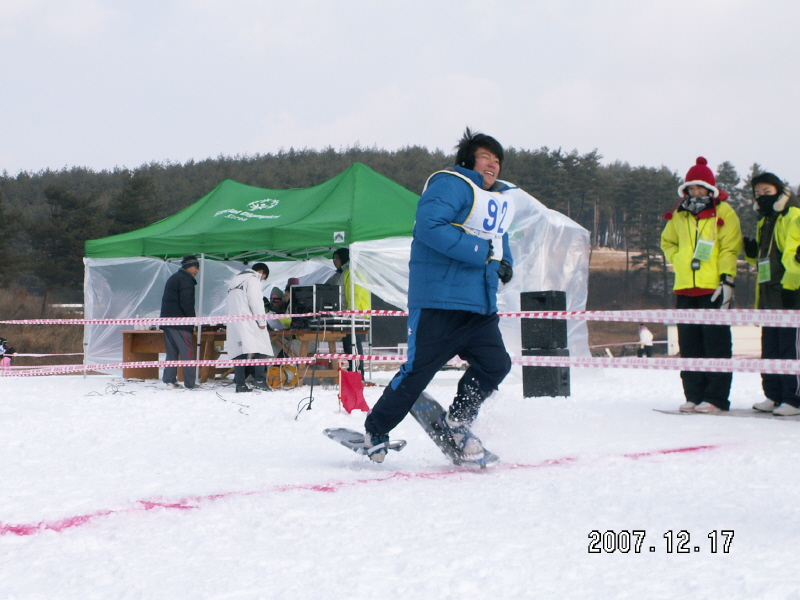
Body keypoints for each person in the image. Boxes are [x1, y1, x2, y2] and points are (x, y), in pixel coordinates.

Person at [363, 128, 515, 463]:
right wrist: (480, 251)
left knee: (495, 365)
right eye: (487, 156)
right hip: (439, 301)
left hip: (479, 305)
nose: (494, 164)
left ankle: (458, 420)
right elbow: (430, 226)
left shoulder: (495, 200)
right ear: (468, 159)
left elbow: (497, 239)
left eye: (498, 160)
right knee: (418, 373)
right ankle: (376, 428)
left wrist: (506, 263)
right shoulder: (451, 184)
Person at [661, 157, 742, 414]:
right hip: (685, 287)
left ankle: (716, 398)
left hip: (712, 288)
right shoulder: (678, 214)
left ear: (710, 189)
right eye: (691, 188)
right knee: (690, 346)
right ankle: (693, 395)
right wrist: (679, 259)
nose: (695, 192)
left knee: (716, 346)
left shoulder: (725, 213)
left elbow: (730, 247)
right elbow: (667, 242)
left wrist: (727, 278)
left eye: (700, 187)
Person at [744, 173, 800, 416]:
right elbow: (764, 260)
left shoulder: (793, 215)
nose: (762, 197)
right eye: (758, 193)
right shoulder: (764, 220)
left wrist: (791, 286)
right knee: (770, 348)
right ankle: (774, 395)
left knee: (791, 348)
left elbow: (793, 254)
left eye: (767, 191)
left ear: (779, 191)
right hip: (768, 294)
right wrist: (750, 253)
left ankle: (794, 397)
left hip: (789, 292)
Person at [226, 263, 276, 393]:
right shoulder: (253, 279)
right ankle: (259, 379)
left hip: (234, 320)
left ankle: (240, 383)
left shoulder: (235, 279)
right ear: (260, 271)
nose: (261, 280)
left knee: (239, 350)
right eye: (263, 277)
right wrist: (261, 321)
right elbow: (256, 301)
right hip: (248, 318)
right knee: (262, 345)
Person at [160, 254, 200, 389]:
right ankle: (190, 382)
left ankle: (169, 380)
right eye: (196, 268)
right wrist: (191, 322)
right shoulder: (186, 280)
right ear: (191, 267)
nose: (197, 271)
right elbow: (187, 303)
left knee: (171, 352)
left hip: (168, 321)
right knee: (187, 351)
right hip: (180, 322)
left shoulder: (174, 278)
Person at [334, 247, 369, 377]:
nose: (334, 261)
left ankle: (358, 372)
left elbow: (355, 294)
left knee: (353, 343)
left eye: (336, 258)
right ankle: (354, 371)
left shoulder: (352, 272)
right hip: (349, 314)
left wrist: (351, 311)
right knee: (348, 343)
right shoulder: (346, 272)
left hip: (355, 314)